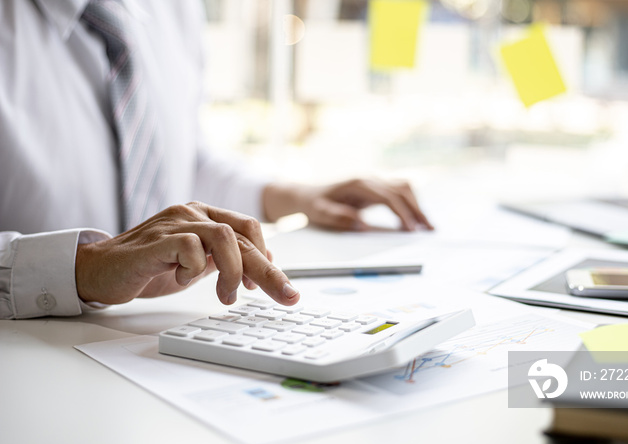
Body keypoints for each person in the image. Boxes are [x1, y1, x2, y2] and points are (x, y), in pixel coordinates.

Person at [0, 0, 433, 320]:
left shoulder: (176, 9)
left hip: (142, 345)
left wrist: (294, 196)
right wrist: (83, 268)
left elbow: (177, 157)